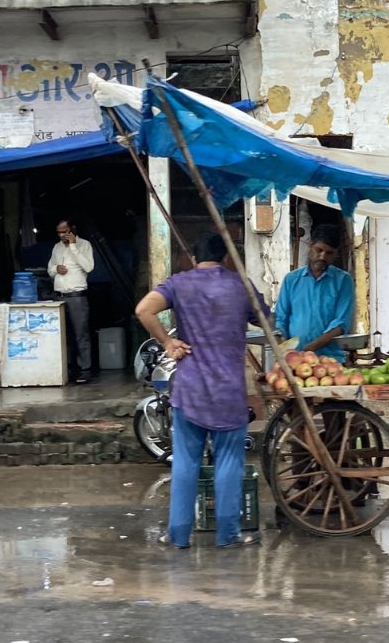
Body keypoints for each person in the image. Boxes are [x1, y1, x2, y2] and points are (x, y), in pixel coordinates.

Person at [134, 233, 268, 549]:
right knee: (229, 462)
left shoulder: (179, 283)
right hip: (228, 391)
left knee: (185, 463)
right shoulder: (239, 286)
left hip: (190, 390)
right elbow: (267, 319)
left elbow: (144, 310)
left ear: (194, 258)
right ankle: (228, 535)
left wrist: (168, 342)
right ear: (225, 258)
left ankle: (178, 536)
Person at [274, 223, 355, 360]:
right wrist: (283, 347)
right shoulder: (291, 280)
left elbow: (341, 324)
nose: (322, 257)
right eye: (319, 250)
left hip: (330, 360)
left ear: (335, 255)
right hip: (295, 360)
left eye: (329, 253)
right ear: (311, 246)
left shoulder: (343, 281)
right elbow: (281, 319)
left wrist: (310, 348)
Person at [47, 218, 95, 384]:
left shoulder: (84, 245)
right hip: (59, 297)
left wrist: (73, 246)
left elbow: (89, 267)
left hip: (77, 296)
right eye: (59, 232)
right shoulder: (57, 247)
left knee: (81, 334)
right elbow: (50, 269)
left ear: (72, 229)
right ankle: (68, 368)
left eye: (64, 231)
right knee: (63, 335)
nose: (62, 235)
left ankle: (85, 370)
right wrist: (56, 269)